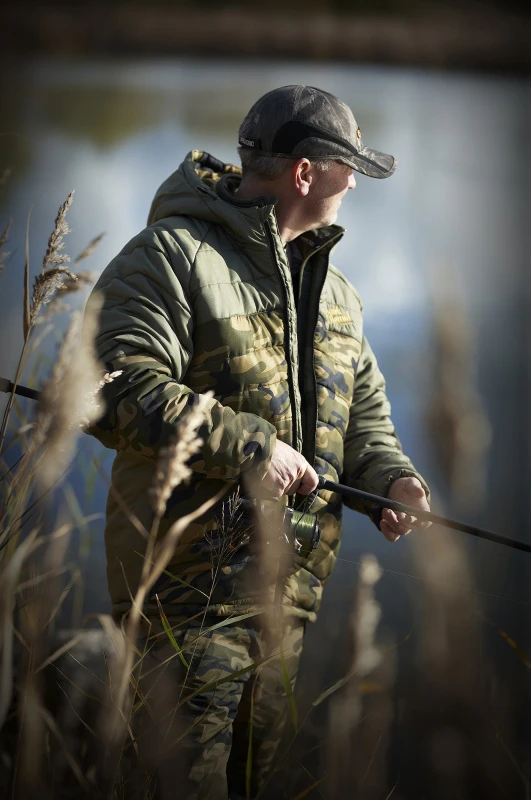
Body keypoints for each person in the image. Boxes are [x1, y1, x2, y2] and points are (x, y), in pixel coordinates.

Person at [87, 85, 430, 799]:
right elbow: (108, 386)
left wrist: (393, 481)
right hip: (187, 597)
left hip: (288, 605)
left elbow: (363, 416)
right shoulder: (169, 256)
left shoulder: (338, 294)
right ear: (305, 173)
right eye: (348, 169)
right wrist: (250, 447)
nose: (354, 185)